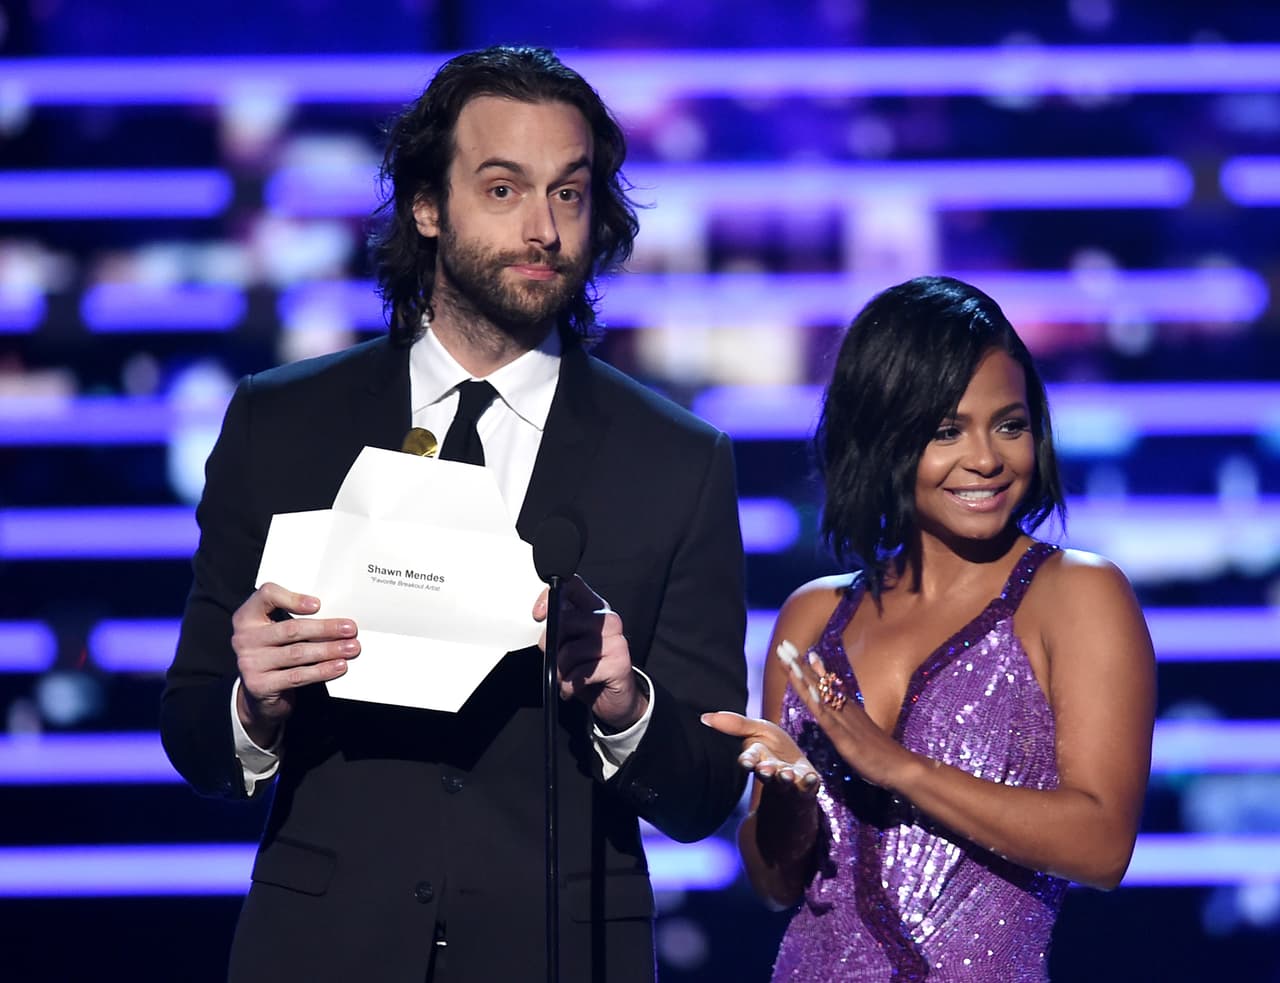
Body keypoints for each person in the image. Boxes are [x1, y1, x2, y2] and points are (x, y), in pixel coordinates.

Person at [161, 46, 747, 983]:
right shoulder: (283, 422)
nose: (545, 229)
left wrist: (627, 706)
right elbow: (194, 729)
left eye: (569, 192)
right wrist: (254, 704)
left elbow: (708, 792)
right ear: (428, 207)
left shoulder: (676, 459)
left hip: (558, 953)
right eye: (504, 189)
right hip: (322, 950)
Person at [704, 275, 1155, 981]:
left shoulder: (1076, 595)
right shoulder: (813, 616)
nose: (986, 458)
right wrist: (790, 806)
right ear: (883, 436)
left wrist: (897, 767)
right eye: (947, 430)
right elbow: (775, 883)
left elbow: (1102, 844)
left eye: (1009, 424)